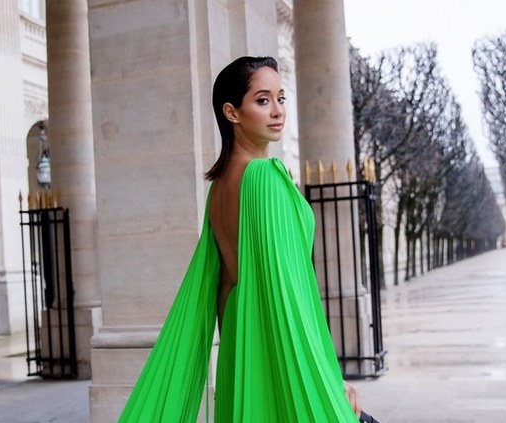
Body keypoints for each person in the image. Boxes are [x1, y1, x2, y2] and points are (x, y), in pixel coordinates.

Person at [119, 56, 375, 422]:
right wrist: (330, 378)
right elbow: (290, 290)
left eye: (280, 98)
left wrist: (237, 359)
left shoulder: (220, 187)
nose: (277, 111)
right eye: (262, 100)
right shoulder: (264, 177)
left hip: (243, 339)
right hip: (277, 341)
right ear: (232, 112)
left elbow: (224, 285)